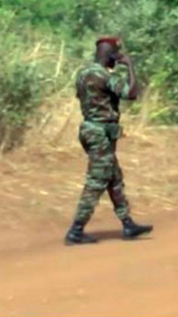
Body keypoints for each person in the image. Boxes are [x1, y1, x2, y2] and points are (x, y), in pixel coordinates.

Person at [65, 38, 153, 245]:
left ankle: (128, 224)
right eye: (116, 54)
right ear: (111, 56)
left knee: (113, 178)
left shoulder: (83, 74)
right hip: (99, 133)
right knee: (97, 180)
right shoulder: (104, 75)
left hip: (90, 129)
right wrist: (130, 66)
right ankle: (76, 230)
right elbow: (131, 93)